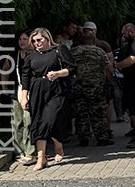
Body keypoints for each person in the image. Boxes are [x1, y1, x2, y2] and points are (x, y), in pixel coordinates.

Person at [19, 28, 75, 170]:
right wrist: (24, 96)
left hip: (56, 89)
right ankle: (41, 159)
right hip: (37, 90)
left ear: (47, 38)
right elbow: (26, 77)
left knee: (50, 119)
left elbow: (72, 68)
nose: (36, 43)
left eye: (39, 40)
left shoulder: (59, 50)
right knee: (38, 123)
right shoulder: (31, 56)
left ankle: (58, 143)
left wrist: (57, 73)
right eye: (34, 41)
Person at [70, 35, 113, 146]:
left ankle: (83, 137)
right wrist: (109, 81)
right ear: (94, 41)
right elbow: (108, 67)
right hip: (96, 87)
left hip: (78, 86)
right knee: (98, 112)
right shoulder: (99, 51)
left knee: (81, 113)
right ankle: (102, 138)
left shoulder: (73, 52)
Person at [81, 22, 122, 123]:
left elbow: (110, 61)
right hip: (83, 81)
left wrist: (109, 76)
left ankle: (106, 129)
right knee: (83, 106)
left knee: (105, 104)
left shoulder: (103, 44)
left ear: (95, 31)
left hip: (101, 80)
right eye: (86, 30)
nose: (88, 32)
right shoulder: (78, 44)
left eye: (91, 30)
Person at [12, 29, 36, 165]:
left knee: (29, 120)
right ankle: (18, 151)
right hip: (18, 90)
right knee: (17, 121)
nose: (22, 42)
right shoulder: (15, 55)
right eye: (20, 39)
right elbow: (5, 68)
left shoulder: (36, 55)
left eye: (25, 39)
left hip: (32, 90)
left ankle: (30, 152)